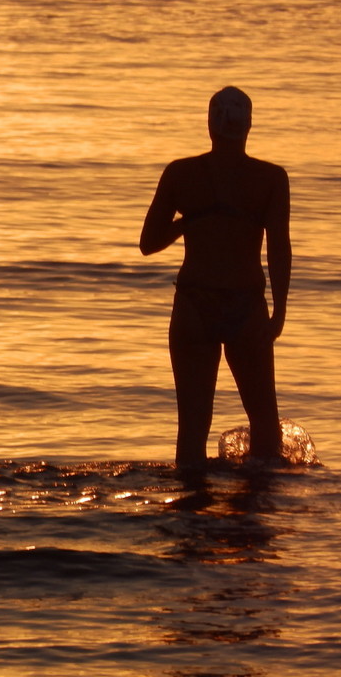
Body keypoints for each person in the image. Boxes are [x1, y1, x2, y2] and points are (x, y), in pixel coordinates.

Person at [140, 87, 291, 467]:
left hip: (194, 305)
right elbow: (279, 249)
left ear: (210, 125)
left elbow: (149, 242)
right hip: (246, 306)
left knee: (192, 426)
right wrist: (278, 313)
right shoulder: (270, 178)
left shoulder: (182, 174)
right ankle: (258, 513)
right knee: (264, 423)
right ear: (249, 126)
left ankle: (191, 513)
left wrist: (190, 219)